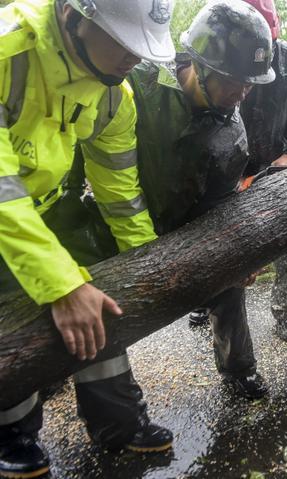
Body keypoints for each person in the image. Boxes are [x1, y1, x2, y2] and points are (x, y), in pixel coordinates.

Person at [0, 0, 175, 476]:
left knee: (102, 279)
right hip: (5, 208)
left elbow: (119, 191)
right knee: (12, 300)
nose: (133, 57)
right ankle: (12, 429)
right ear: (75, 16)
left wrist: (147, 263)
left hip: (45, 205)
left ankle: (118, 418)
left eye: (140, 46)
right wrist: (60, 285)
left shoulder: (116, 94)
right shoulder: (6, 51)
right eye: (122, 41)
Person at [125, 0, 275, 399]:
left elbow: (224, 205)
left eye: (250, 84)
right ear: (198, 64)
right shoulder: (142, 81)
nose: (242, 93)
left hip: (192, 217)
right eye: (234, 81)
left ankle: (238, 368)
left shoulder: (232, 127)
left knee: (229, 283)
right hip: (125, 208)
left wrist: (240, 253)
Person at [189, 0, 287, 343]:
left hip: (279, 166)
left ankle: (284, 311)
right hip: (231, 164)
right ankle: (206, 300)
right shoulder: (215, 56)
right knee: (218, 237)